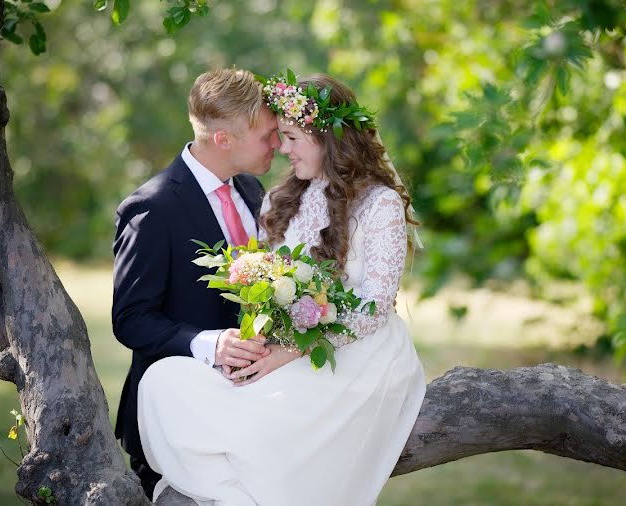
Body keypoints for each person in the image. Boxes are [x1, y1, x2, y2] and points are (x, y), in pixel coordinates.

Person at [137, 72, 426, 505]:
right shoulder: (278, 199)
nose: (281, 149)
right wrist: (263, 341)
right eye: (277, 137)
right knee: (163, 380)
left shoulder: (377, 203)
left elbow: (373, 308)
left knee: (265, 424)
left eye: (289, 137)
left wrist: (289, 350)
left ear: (325, 136)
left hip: (355, 352)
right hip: (283, 344)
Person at [111, 68, 281, 499]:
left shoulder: (250, 187)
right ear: (224, 139)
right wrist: (210, 344)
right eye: (267, 135)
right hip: (176, 416)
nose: (277, 144)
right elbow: (131, 319)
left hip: (252, 412)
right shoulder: (152, 208)